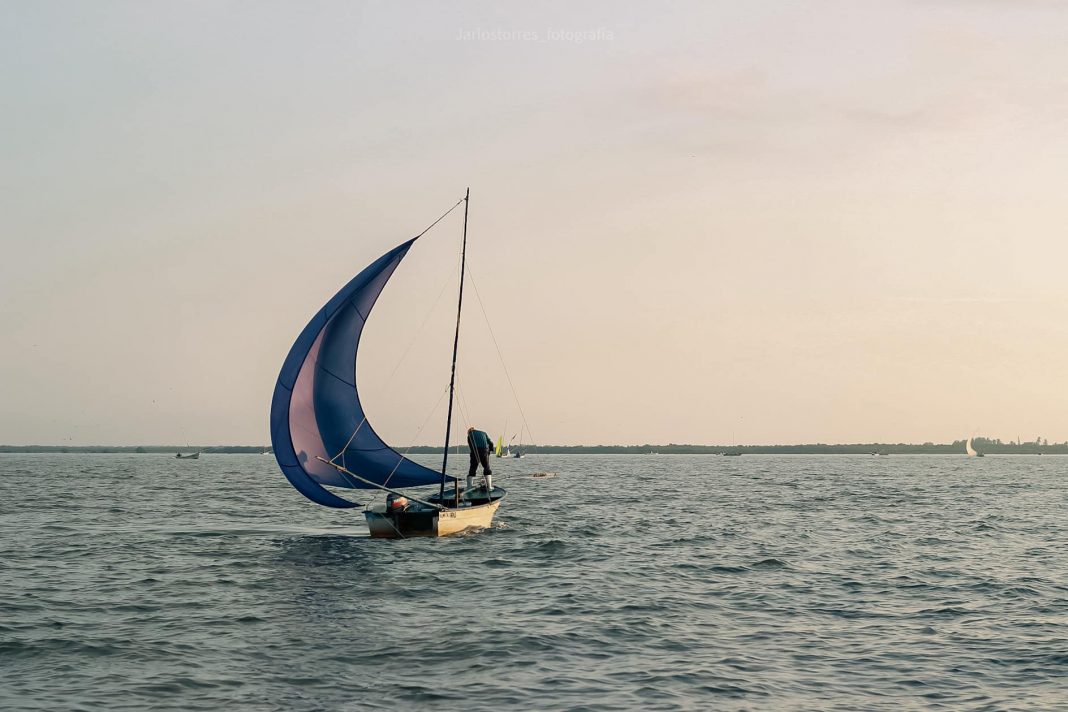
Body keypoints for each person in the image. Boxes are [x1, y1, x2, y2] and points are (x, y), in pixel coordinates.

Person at [466, 426, 494, 492]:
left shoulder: (469, 435)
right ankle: (489, 487)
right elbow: (491, 443)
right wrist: (490, 450)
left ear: (469, 432)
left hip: (475, 451)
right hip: (484, 450)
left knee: (473, 468)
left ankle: (469, 487)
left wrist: (473, 455)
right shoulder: (483, 433)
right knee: (486, 467)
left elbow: (471, 446)